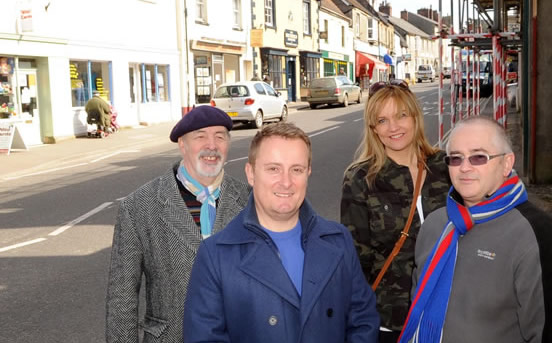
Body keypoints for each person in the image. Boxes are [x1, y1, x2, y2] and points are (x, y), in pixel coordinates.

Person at [184, 122, 379, 343]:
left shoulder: (338, 240)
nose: (286, 182)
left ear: (308, 173)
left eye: (296, 170)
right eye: (273, 169)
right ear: (251, 173)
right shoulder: (215, 255)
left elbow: (363, 320)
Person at [399, 116, 552, 343]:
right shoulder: (436, 225)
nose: (464, 167)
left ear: (506, 163)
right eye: (455, 158)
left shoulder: (540, 238)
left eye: (478, 157)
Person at [106, 106, 251, 342]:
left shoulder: (250, 201)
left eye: (220, 136)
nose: (211, 146)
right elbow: (122, 299)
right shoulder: (139, 206)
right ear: (182, 145)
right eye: (200, 136)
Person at [340, 80, 451, 342]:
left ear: (415, 117)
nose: (394, 127)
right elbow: (356, 259)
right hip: (391, 321)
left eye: (402, 115)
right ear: (374, 129)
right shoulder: (360, 179)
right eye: (382, 120)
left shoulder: (446, 167)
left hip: (449, 312)